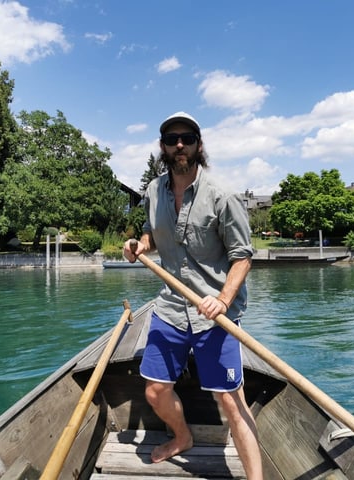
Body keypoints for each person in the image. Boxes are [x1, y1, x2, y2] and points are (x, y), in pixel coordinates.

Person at [123, 112, 263, 479]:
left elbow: (242, 258)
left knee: (232, 402)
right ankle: (182, 437)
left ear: (199, 144)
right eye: (171, 139)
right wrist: (140, 245)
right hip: (170, 305)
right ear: (163, 147)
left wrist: (223, 299)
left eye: (187, 137)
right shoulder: (154, 191)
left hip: (214, 312)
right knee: (154, 392)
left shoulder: (223, 197)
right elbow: (153, 237)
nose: (179, 144)